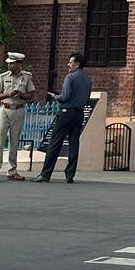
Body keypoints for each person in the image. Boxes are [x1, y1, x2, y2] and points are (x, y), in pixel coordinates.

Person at [35, 52, 91, 183]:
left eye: (70, 62)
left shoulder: (70, 77)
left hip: (67, 112)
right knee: (74, 143)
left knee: (55, 142)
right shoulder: (87, 80)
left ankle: (45, 174)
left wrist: (55, 96)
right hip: (79, 113)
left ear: (77, 64)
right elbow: (87, 98)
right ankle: (70, 175)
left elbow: (65, 96)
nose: (68, 65)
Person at [0, 50, 35, 183]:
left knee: (14, 141)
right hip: (5, 108)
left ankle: (12, 170)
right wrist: (8, 94)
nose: (9, 66)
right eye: (9, 63)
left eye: (12, 63)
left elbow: (31, 94)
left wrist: (21, 95)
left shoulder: (26, 77)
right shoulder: (3, 77)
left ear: (19, 64)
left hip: (18, 109)